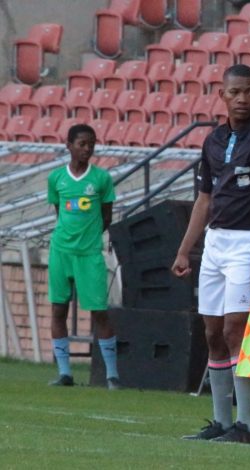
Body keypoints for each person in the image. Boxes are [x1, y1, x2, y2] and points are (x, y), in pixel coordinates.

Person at [171, 64, 250, 444]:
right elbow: (204, 198)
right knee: (211, 331)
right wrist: (186, 249)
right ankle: (221, 422)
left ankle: (247, 425)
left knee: (237, 328)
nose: (241, 98)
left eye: (249, 92)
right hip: (216, 243)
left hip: (247, 241)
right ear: (222, 94)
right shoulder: (213, 140)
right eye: (234, 92)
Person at [47, 124, 119, 389]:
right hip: (61, 251)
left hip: (89, 254)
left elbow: (107, 215)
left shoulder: (101, 179)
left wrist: (89, 238)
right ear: (69, 145)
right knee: (58, 309)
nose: (87, 149)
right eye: (82, 144)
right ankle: (65, 373)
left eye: (91, 144)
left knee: (99, 311)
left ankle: (112, 375)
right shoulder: (56, 178)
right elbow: (59, 211)